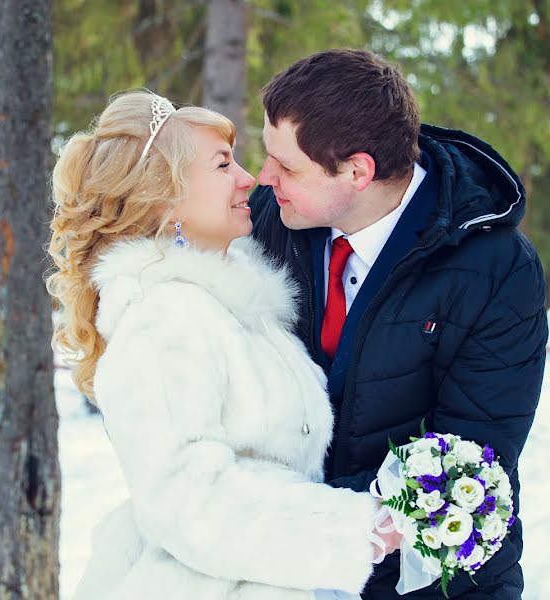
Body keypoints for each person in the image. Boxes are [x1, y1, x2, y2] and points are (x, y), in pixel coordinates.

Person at [46, 91, 400, 600]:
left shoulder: (228, 307)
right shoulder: (164, 318)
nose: (248, 178)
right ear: (165, 198)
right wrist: (353, 527)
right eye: (222, 164)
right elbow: (186, 500)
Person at [249, 49, 549, 599]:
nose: (265, 178)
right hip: (290, 572)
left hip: (435, 581)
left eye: (287, 165)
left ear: (358, 170)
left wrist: (302, 519)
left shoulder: (497, 269)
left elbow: (470, 455)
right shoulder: (275, 219)